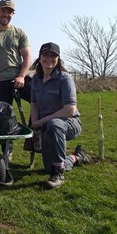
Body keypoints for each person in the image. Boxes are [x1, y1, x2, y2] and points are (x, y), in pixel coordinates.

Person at [30, 42, 91, 189]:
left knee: (54, 124)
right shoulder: (36, 80)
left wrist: (42, 121)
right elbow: (34, 104)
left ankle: (59, 174)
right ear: (39, 57)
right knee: (48, 168)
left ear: (58, 59)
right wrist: (35, 123)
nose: (49, 59)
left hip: (70, 123)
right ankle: (77, 157)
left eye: (53, 56)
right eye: (46, 55)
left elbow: (69, 110)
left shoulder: (65, 78)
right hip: (48, 126)